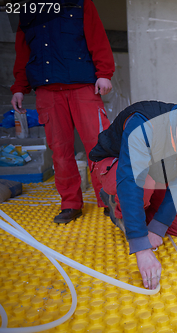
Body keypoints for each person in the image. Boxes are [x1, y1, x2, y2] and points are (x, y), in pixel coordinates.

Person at [89, 93, 177, 289]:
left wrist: (157, 228)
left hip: (151, 172)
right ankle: (116, 206)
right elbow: (130, 179)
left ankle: (138, 210)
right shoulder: (144, 123)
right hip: (113, 166)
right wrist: (141, 246)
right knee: (145, 181)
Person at [10, 0, 115, 223]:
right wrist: (19, 88)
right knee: (59, 151)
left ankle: (108, 199)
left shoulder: (81, 3)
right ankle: (70, 203)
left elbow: (97, 37)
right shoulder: (28, 10)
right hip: (48, 92)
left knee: (99, 146)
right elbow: (22, 52)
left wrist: (104, 72)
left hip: (84, 86)